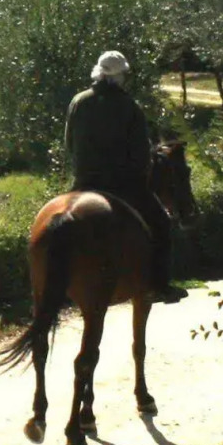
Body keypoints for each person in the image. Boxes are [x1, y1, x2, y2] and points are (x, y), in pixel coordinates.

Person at [64, 51, 187, 304]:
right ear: (121, 76)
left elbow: (69, 144)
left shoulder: (78, 101)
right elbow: (142, 154)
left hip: (83, 183)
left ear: (97, 72)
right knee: (162, 224)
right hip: (122, 186)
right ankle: (160, 285)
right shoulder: (129, 105)